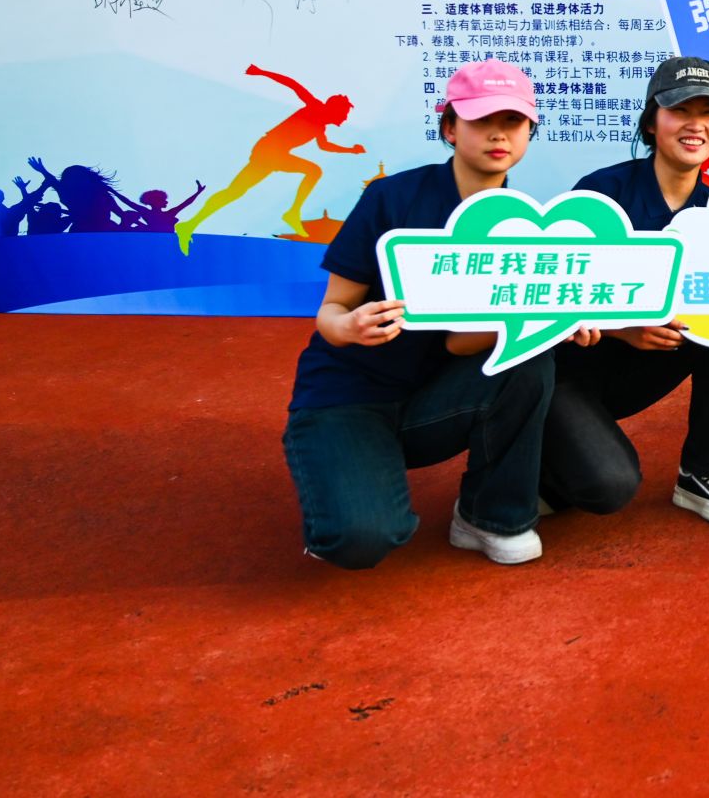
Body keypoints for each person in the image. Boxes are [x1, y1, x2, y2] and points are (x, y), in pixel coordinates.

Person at [280, 59, 577, 569]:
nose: (498, 134)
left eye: (512, 121)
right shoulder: (392, 198)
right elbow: (331, 311)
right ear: (450, 128)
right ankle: (337, 467)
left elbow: (459, 342)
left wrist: (557, 321)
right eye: (481, 120)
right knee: (361, 539)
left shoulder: (524, 225)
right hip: (351, 397)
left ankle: (490, 517)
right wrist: (349, 327)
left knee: (530, 359)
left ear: (529, 131)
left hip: (434, 399)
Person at [542, 57, 709, 525]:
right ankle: (534, 475)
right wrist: (623, 329)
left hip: (645, 364)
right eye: (680, 111)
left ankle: (707, 471)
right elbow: (550, 296)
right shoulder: (600, 193)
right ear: (651, 123)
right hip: (568, 372)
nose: (696, 125)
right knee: (603, 485)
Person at [178, 64, 366, 251]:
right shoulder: (314, 107)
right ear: (334, 109)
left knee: (235, 191)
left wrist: (351, 150)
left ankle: (190, 225)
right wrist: (261, 72)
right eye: (344, 113)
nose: (345, 118)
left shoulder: (320, 126)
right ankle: (292, 213)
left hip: (275, 155)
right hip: (268, 151)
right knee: (310, 172)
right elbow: (293, 84)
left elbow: (324, 146)